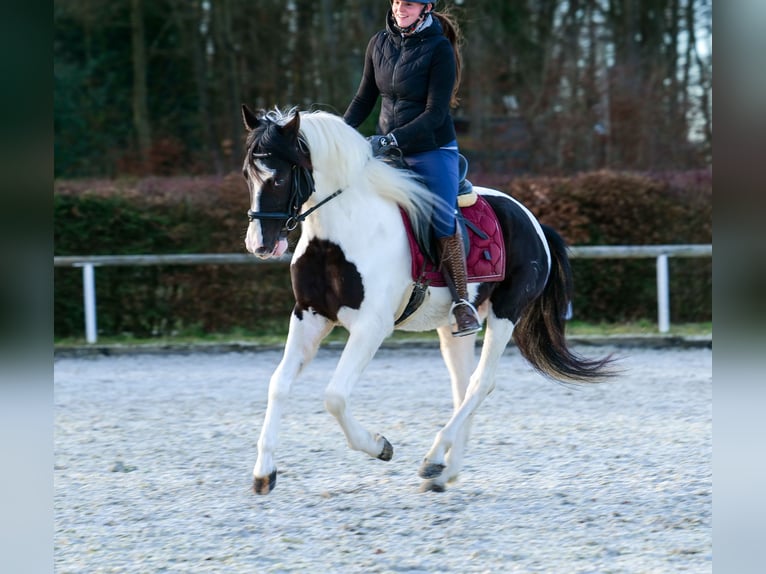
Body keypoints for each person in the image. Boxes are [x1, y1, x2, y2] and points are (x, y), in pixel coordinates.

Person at [343, 0, 481, 337]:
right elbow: (364, 99)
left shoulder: (439, 49)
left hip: (432, 148)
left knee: (442, 217)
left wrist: (391, 139)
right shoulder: (379, 42)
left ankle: (463, 303)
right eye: (396, 2)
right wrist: (339, 133)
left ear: (426, 8)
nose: (400, 8)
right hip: (387, 146)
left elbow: (435, 112)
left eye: (408, 3)